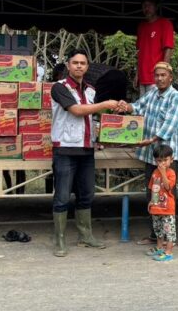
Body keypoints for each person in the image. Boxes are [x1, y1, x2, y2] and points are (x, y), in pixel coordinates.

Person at [50, 49, 119, 257]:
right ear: (68, 66)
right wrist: (106, 104)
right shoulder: (59, 88)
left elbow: (96, 114)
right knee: (62, 196)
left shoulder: (90, 90)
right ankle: (60, 240)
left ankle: (85, 235)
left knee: (86, 194)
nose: (79, 66)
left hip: (87, 148)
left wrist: (117, 108)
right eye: (75, 63)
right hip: (65, 149)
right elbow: (77, 111)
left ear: (87, 67)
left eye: (83, 63)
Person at [117, 62, 178, 245]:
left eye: (163, 75)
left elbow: (168, 127)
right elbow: (137, 107)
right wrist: (124, 106)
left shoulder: (176, 98)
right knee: (152, 196)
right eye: (157, 75)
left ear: (171, 77)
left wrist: (151, 139)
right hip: (150, 155)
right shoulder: (153, 92)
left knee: (167, 196)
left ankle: (169, 238)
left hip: (167, 159)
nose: (160, 79)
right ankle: (156, 236)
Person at [135, 0, 174, 96]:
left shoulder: (165, 24)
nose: (146, 9)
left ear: (156, 7)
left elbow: (168, 49)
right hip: (142, 77)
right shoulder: (141, 26)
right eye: (144, 6)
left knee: (154, 109)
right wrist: (137, 75)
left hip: (157, 78)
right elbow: (140, 53)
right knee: (142, 109)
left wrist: (164, 73)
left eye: (149, 5)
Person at [145, 144, 178, 262]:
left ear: (171, 159)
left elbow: (168, 187)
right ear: (155, 161)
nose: (162, 163)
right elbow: (153, 188)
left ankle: (168, 251)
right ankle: (159, 247)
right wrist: (151, 202)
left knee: (169, 231)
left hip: (167, 208)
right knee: (158, 229)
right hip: (156, 207)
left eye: (165, 160)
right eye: (159, 161)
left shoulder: (171, 173)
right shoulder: (154, 172)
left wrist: (163, 172)